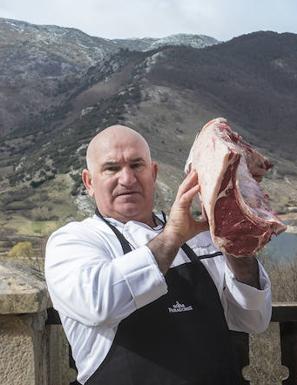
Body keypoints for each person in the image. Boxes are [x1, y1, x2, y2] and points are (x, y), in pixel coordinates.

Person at [45, 125, 272, 385]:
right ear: (88, 182)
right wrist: (173, 235)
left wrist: (233, 232)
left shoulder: (201, 236)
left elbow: (254, 319)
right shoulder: (74, 241)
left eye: (136, 165)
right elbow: (98, 304)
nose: (127, 179)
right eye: (112, 168)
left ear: (153, 173)